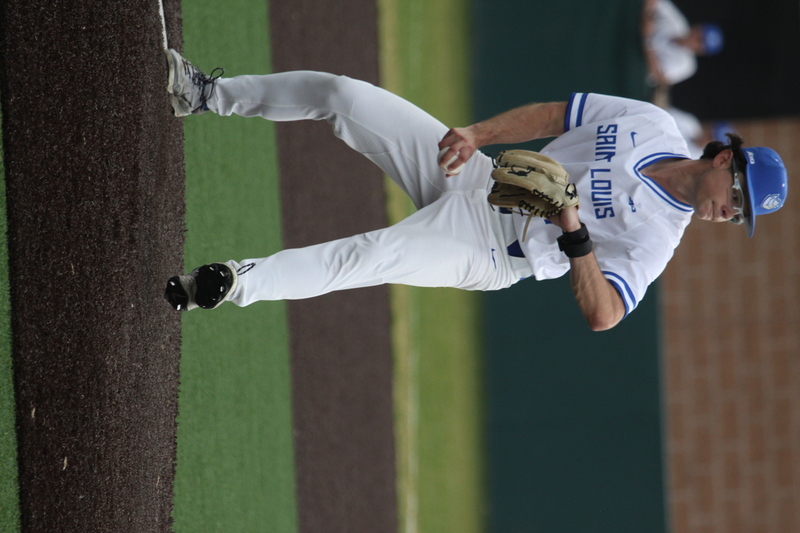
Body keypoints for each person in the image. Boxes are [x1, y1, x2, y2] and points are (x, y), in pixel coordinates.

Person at [162, 49, 788, 331]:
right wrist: (474, 133)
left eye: (740, 215)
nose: (730, 211)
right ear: (725, 158)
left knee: (370, 255)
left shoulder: (658, 236)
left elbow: (605, 315)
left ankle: (231, 283)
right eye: (738, 194)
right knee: (343, 96)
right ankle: (204, 94)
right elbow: (553, 116)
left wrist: (573, 226)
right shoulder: (650, 125)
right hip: (479, 177)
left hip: (488, 250)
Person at [642, 0, 725, 86]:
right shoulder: (678, 23)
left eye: (700, 42)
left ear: (700, 52)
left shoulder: (687, 65)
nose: (695, 39)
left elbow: (660, 78)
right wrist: (648, 16)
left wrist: (648, 42)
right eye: (699, 35)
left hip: (638, 71)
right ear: (697, 27)